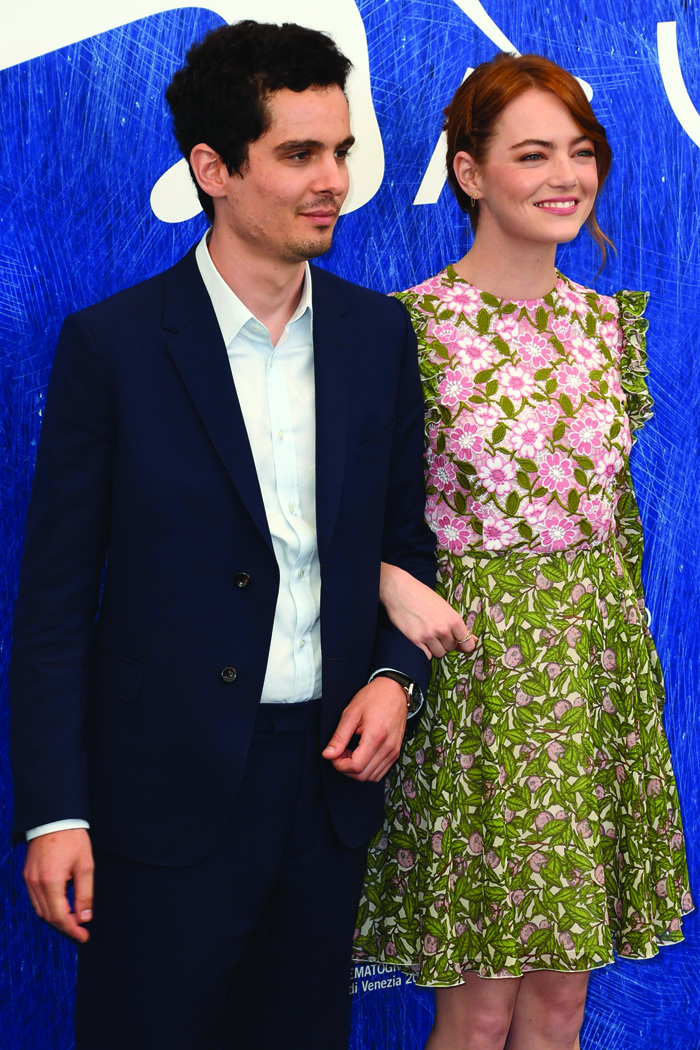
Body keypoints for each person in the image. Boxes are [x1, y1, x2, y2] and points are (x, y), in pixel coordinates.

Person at [9, 20, 437, 1050]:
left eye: (339, 149)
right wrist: (56, 814)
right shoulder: (111, 346)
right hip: (161, 798)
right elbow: (56, 601)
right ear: (213, 168)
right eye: (298, 154)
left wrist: (395, 677)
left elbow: (403, 545)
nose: (331, 178)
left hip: (326, 788)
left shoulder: (374, 336)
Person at [355, 52, 693, 1050]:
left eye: (580, 153)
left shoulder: (608, 328)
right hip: (474, 680)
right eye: (533, 153)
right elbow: (339, 514)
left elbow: (618, 524)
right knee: (479, 1008)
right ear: (470, 174)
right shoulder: (406, 329)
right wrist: (388, 586)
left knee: (558, 1010)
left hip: (591, 679)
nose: (565, 176)